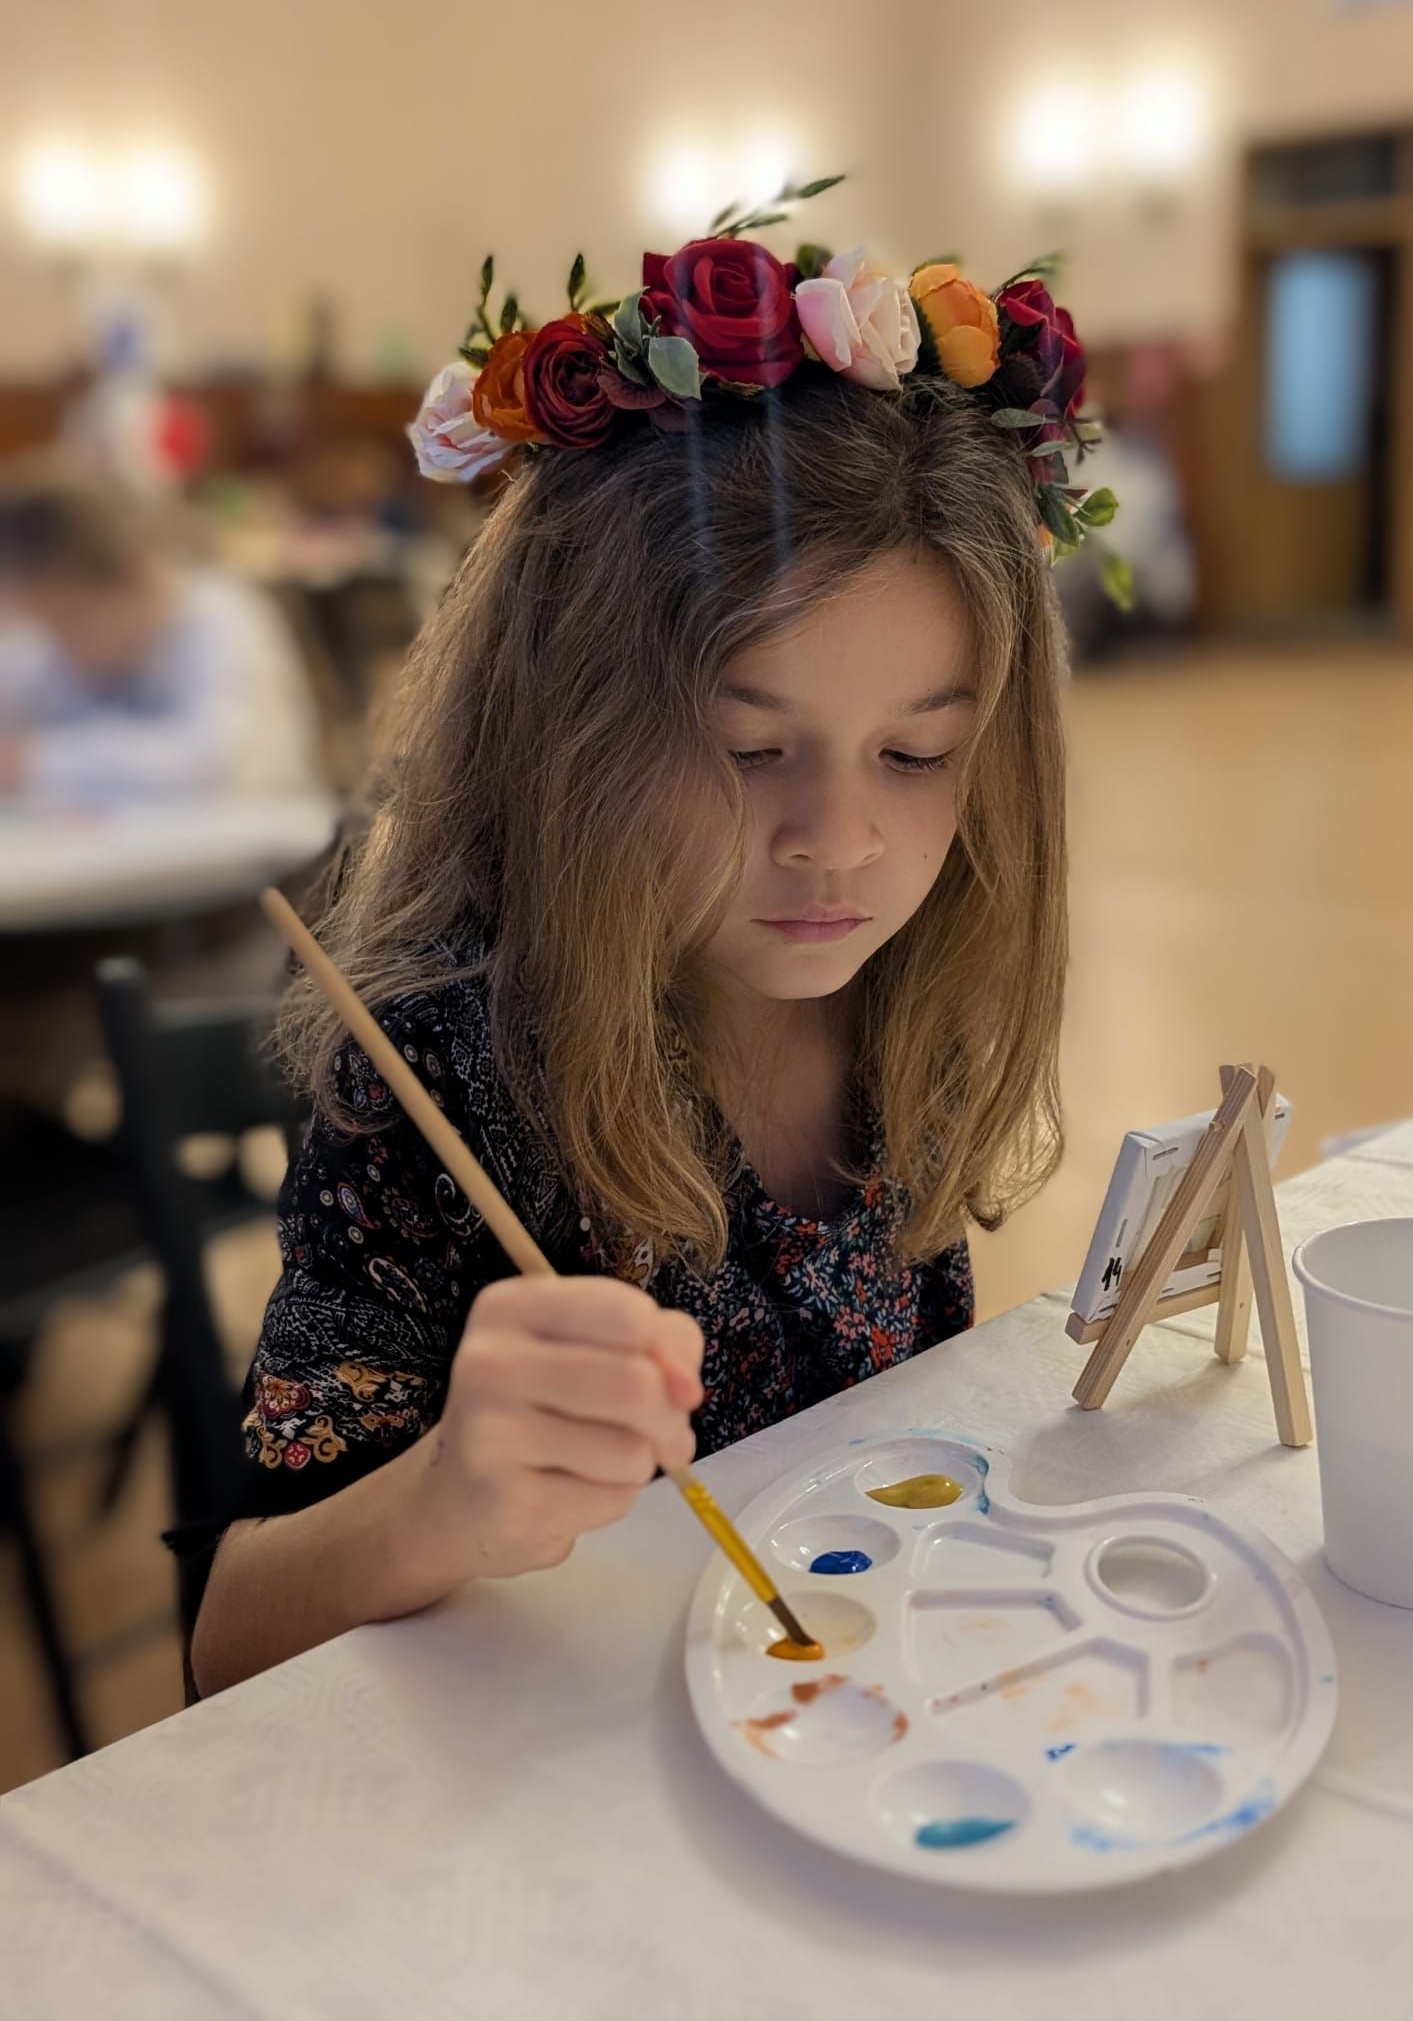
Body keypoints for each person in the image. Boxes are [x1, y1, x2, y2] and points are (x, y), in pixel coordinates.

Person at [191, 215, 1103, 1695]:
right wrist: (441, 1502)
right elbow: (223, 1644)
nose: (839, 842)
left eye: (916, 754)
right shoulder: (447, 1068)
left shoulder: (907, 994)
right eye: (747, 747)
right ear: (574, 739)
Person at [0, 467, 323, 809]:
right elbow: (21, 676)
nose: (62, 646)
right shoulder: (74, 650)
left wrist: (35, 762)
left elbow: (216, 764)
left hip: (267, 834)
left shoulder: (222, 619)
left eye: (70, 621)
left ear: (135, 577)